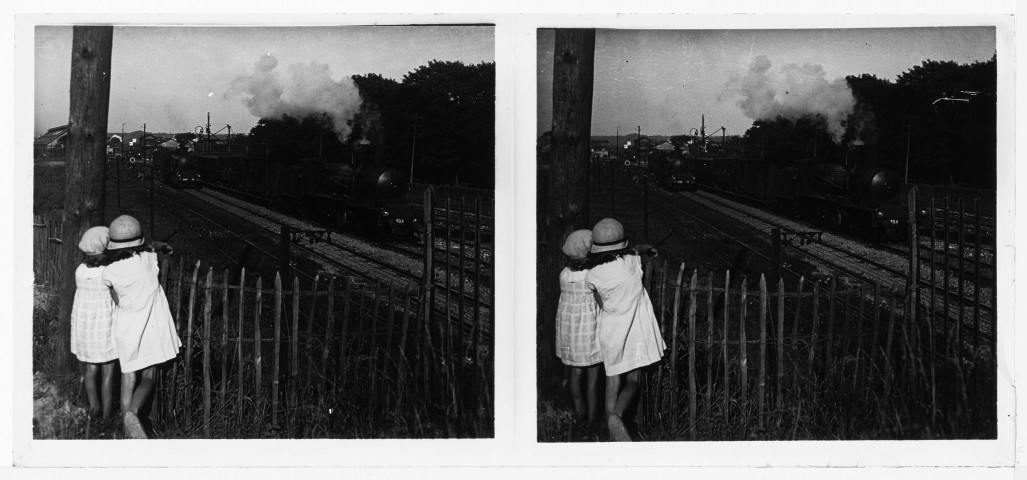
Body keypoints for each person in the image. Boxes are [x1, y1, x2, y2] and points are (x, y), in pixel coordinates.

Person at [585, 218, 666, 441]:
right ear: (622, 244)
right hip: (635, 329)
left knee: (613, 378)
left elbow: (601, 303)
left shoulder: (592, 275)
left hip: (610, 330)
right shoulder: (631, 261)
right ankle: (618, 416)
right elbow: (636, 250)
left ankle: (611, 429)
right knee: (634, 379)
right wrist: (648, 248)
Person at [101, 215, 181, 439]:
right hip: (151, 327)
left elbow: (116, 300)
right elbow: (151, 248)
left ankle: (126, 425)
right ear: (139, 241)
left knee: (128, 376)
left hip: (126, 328)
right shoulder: (148, 258)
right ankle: (134, 413)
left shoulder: (109, 271)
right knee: (148, 376)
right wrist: (162, 246)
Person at [70, 226, 118, 422]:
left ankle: (94, 407)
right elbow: (116, 299)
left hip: (86, 328)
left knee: (90, 370)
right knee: (108, 371)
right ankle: (107, 414)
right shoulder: (108, 272)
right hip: (104, 328)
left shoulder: (80, 271)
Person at [555, 229, 602, 425]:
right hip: (588, 330)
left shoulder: (564, 274)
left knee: (576, 372)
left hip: (570, 332)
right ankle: (592, 416)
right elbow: (600, 301)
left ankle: (579, 411)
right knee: (593, 371)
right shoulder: (593, 275)